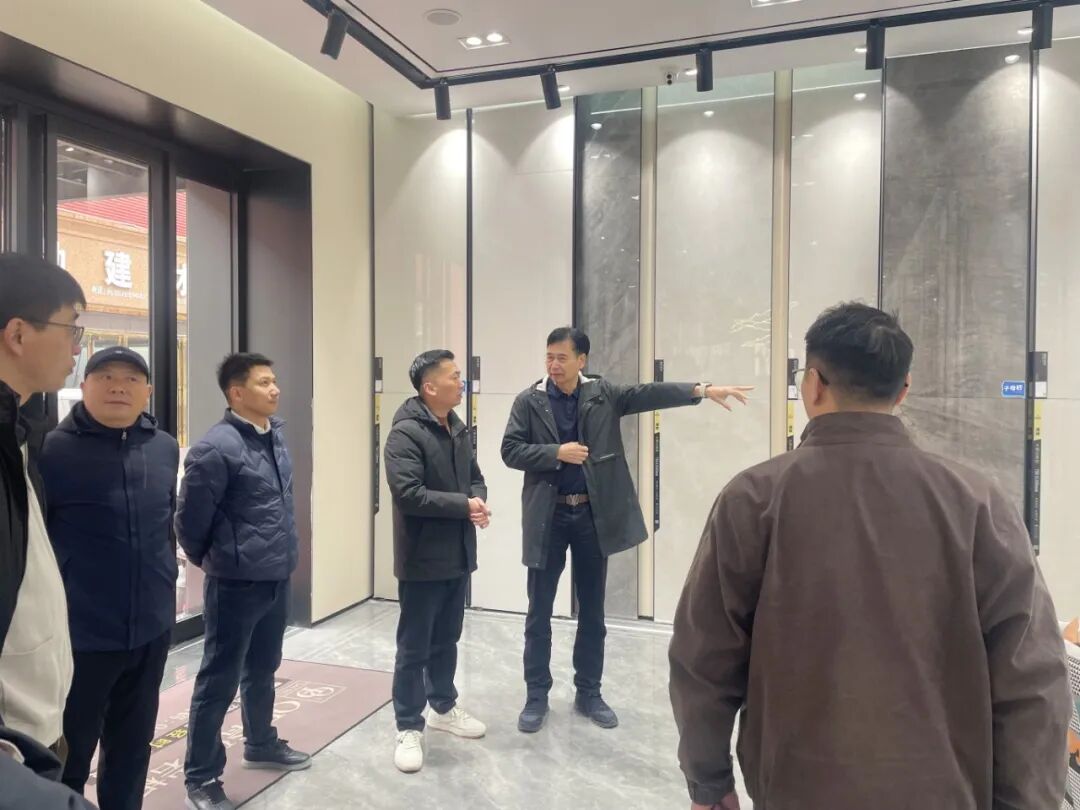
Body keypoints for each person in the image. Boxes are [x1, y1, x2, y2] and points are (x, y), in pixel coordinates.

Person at [669, 303, 1071, 810]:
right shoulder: (977, 501)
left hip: (796, 788)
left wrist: (709, 782)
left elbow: (703, 658)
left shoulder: (753, 499)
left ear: (812, 385)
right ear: (903, 390)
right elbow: (1033, 679)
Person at [502, 326, 752, 733]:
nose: (553, 365)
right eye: (549, 356)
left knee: (593, 611)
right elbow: (510, 450)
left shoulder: (602, 394)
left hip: (591, 517)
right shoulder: (529, 401)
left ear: (582, 360)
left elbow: (647, 394)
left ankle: (589, 692)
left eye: (562, 357)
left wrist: (702, 390)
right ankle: (536, 696)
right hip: (548, 518)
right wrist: (555, 453)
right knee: (539, 611)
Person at [38, 346, 179, 810]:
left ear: (148, 391)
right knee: (70, 754)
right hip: (81, 636)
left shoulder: (164, 447)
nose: (119, 387)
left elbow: (165, 525)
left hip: (150, 630)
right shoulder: (51, 450)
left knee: (132, 749)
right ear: (84, 386)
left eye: (131, 379)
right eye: (106, 377)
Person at [176, 353, 310, 810]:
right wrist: (219, 560)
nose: (275, 389)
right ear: (236, 393)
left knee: (264, 666)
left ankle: (260, 742)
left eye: (275, 381)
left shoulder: (274, 435)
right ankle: (201, 776)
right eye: (264, 382)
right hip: (235, 583)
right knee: (219, 679)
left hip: (276, 574)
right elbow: (189, 522)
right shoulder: (215, 448)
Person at [384, 350, 490, 774]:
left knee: (447, 638)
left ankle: (443, 707)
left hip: (458, 553)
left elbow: (475, 476)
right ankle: (408, 725)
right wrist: (464, 505)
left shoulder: (457, 427)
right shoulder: (405, 434)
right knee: (414, 646)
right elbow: (409, 495)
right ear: (430, 387)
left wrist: (478, 500)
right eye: (454, 376)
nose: (461, 382)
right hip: (422, 557)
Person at [0, 253, 84, 755]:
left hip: (36, 723)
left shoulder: (21, 432)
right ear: (17, 334)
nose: (78, 347)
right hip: (12, 743)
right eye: (70, 327)